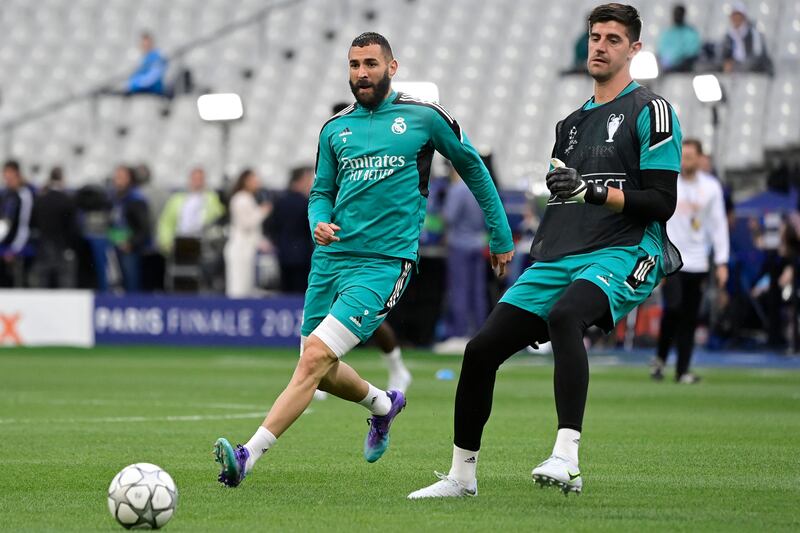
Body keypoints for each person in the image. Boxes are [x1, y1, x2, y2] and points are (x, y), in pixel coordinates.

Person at [213, 32, 514, 488]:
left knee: (313, 357)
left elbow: (471, 165)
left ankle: (246, 456)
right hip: (330, 260)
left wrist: (500, 231)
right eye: (354, 65)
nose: (361, 73)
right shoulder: (335, 129)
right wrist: (318, 220)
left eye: (371, 64)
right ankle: (382, 404)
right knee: (320, 369)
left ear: (392, 67)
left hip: (383, 262)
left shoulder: (424, 117)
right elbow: (321, 193)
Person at [409, 3, 682, 499]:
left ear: (634, 50)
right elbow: (565, 200)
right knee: (480, 351)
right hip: (563, 254)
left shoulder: (652, 110)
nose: (600, 46)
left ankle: (567, 458)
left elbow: (662, 203)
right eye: (595, 37)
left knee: (565, 317)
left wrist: (594, 192)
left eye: (613, 39)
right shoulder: (570, 124)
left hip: (625, 248)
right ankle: (461, 477)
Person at [652, 140, 728, 384]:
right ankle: (661, 358)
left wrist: (722, 261)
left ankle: (682, 370)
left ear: (699, 158)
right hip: (671, 260)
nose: (686, 162)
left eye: (691, 157)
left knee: (690, 317)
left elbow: (719, 226)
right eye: (683, 156)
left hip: (698, 261)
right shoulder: (668, 182)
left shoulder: (711, 188)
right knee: (672, 309)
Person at [443, 163, 489, 341]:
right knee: (478, 292)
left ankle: (459, 333)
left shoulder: (457, 189)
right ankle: (480, 332)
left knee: (459, 290)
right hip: (478, 244)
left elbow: (449, 217)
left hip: (459, 245)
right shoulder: (478, 187)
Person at [264, 165, 315, 293]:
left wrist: (278, 242)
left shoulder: (279, 201)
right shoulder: (306, 203)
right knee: (300, 293)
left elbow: (270, 226)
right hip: (302, 254)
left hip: (283, 253)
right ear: (301, 180)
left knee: (285, 291)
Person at [223, 168, 270, 298]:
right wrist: (263, 211)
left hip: (247, 248)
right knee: (238, 286)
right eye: (254, 179)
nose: (257, 183)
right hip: (239, 249)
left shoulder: (248, 198)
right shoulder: (240, 199)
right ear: (246, 181)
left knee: (247, 287)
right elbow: (246, 224)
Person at [156, 166, 225, 254]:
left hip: (203, 243)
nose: (197, 182)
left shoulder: (211, 198)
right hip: (181, 241)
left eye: (200, 179)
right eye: (195, 178)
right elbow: (166, 222)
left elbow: (218, 216)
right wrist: (166, 242)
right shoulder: (176, 199)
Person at [31, 167, 80, 288]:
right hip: (62, 248)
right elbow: (73, 228)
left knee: (42, 284)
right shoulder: (68, 200)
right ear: (62, 179)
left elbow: (33, 224)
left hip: (43, 248)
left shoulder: (40, 200)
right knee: (65, 283)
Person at [108, 165, 152, 293]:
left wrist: (131, 243)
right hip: (115, 245)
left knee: (132, 283)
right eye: (117, 177)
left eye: (122, 177)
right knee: (116, 284)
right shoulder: (113, 198)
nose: (118, 180)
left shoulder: (136, 199)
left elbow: (144, 228)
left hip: (130, 249)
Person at [0, 160, 34, 287]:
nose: (6, 177)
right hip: (4, 245)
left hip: (17, 248)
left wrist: (14, 249)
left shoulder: (24, 194)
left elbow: (23, 225)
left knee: (16, 283)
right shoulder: (5, 194)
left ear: (16, 174)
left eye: (9, 173)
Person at [721, 2, 773, 75]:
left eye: (738, 15)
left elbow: (757, 54)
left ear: (743, 17)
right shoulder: (729, 35)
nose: (735, 18)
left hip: (751, 65)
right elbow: (726, 54)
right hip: (737, 64)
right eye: (734, 15)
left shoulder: (754, 32)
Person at [656, 4, 701, 73]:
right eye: (675, 13)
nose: (677, 16)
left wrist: (678, 60)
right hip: (667, 69)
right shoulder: (667, 33)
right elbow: (661, 51)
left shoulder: (690, 32)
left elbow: (692, 52)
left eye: (679, 14)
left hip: (684, 69)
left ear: (683, 15)